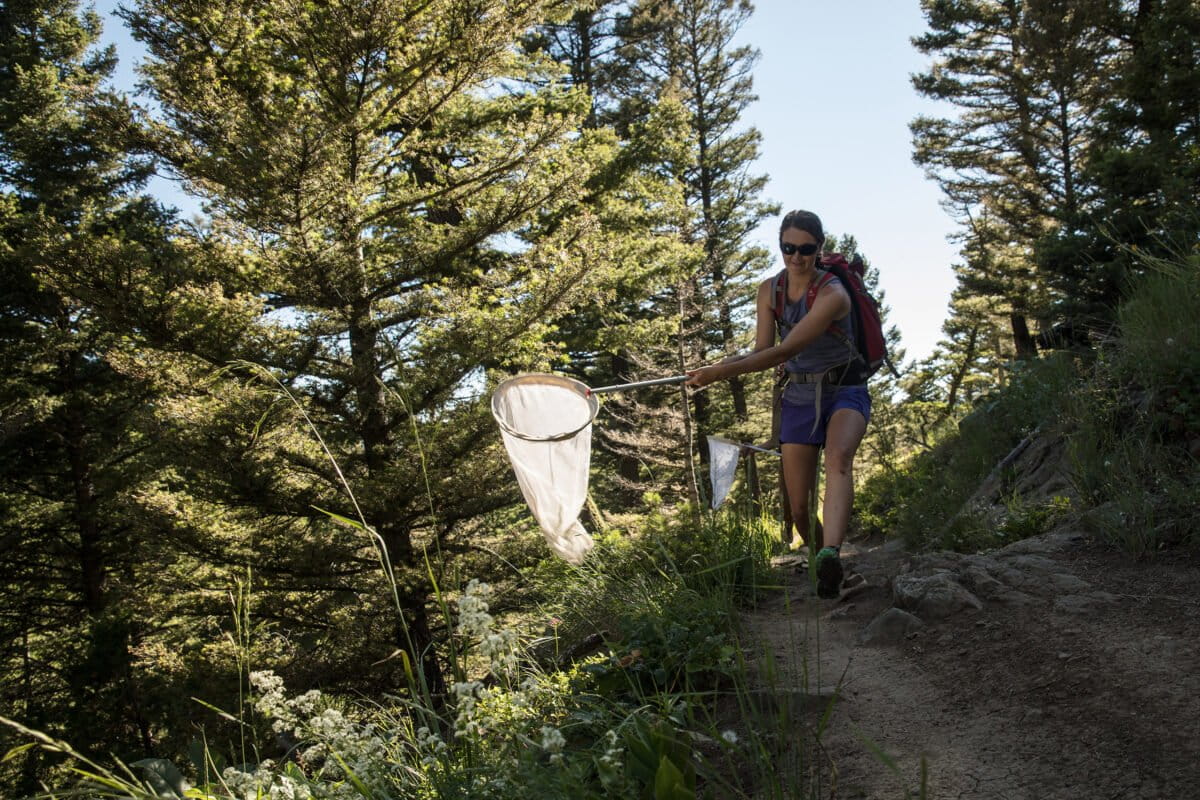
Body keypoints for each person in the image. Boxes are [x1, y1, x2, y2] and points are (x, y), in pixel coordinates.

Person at [685, 210, 871, 599]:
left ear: (819, 248)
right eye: (789, 248)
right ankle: (827, 566)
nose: (796, 256)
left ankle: (832, 552)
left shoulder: (834, 295)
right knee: (799, 507)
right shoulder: (770, 291)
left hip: (845, 390)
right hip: (800, 397)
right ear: (781, 246)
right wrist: (714, 367)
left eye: (805, 249)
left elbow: (785, 351)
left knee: (838, 459)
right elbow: (762, 349)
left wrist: (718, 375)